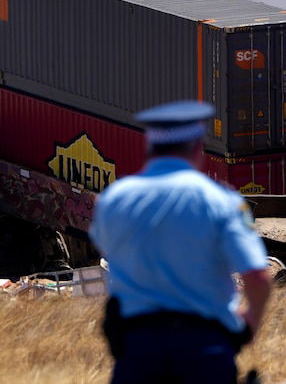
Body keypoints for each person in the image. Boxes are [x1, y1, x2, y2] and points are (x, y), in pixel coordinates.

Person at [89, 100, 271, 384]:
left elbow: (108, 251)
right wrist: (248, 325)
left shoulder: (113, 199)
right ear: (198, 148)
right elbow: (258, 276)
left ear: (149, 147)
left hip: (137, 349)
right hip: (204, 349)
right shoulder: (221, 201)